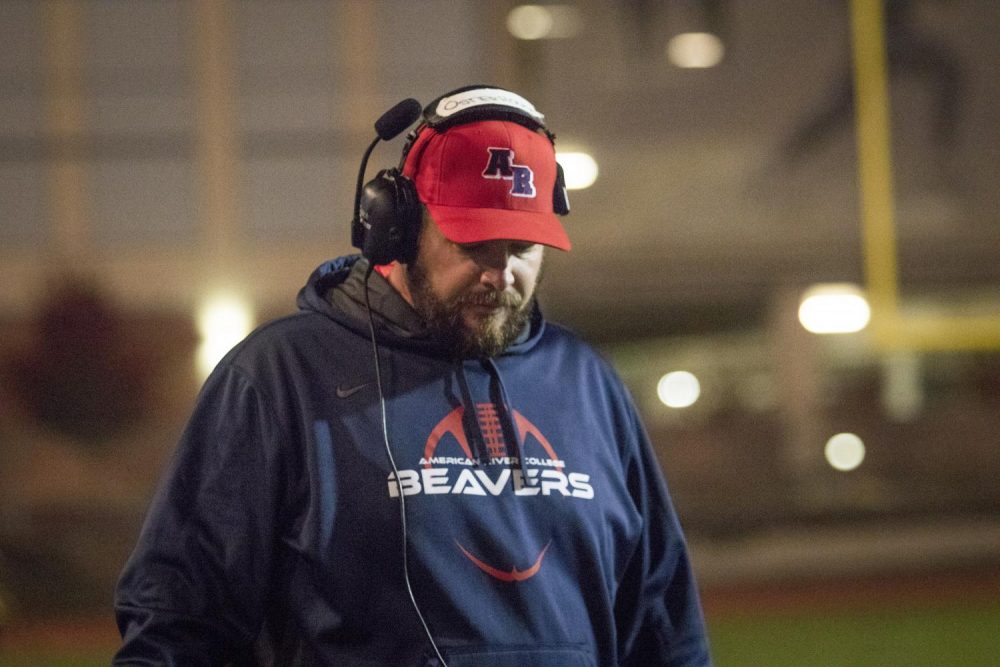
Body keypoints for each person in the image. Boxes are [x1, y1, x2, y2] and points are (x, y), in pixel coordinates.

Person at [114, 85, 711, 666]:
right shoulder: (278, 379)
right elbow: (179, 623)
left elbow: (663, 623)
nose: (501, 275)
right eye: (475, 243)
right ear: (396, 227)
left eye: (523, 247)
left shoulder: (588, 384)